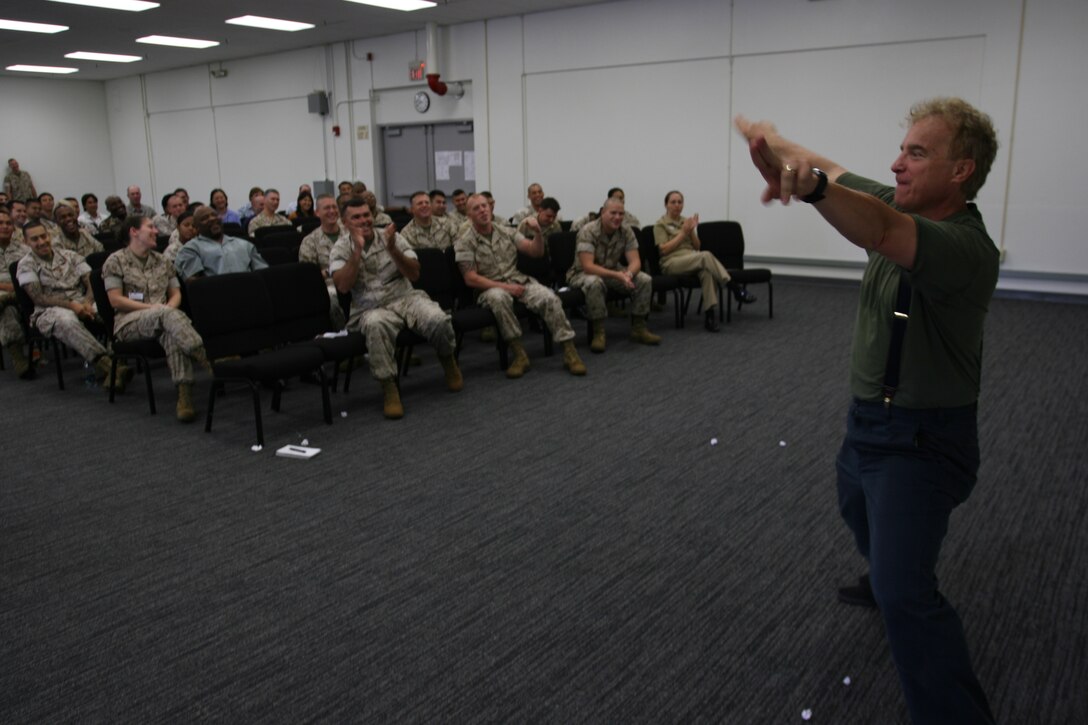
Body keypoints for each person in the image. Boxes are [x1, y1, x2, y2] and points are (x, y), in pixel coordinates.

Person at [735, 97, 999, 725]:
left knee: (907, 596)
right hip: (870, 424)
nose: (897, 163)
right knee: (855, 504)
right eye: (901, 150)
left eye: (916, 152)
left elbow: (878, 231)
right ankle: (886, 568)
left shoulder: (964, 247)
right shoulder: (902, 199)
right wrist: (773, 141)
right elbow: (828, 166)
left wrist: (816, 188)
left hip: (923, 441)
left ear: (960, 171)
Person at [330, 196, 463, 419]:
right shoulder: (340, 249)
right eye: (356, 217)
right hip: (370, 307)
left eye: (366, 215)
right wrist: (356, 253)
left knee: (437, 319)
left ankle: (448, 359)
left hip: (404, 297)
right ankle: (389, 387)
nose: (364, 220)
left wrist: (393, 249)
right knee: (375, 325)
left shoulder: (392, 237)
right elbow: (343, 286)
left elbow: (414, 273)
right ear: (345, 223)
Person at [455, 193, 586, 379]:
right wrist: (506, 288)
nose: (482, 210)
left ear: (490, 208)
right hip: (489, 288)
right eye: (476, 208)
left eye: (484, 205)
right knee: (499, 299)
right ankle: (519, 354)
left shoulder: (506, 231)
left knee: (549, 297)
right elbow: (471, 278)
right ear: (469, 215)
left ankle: (569, 351)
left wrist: (538, 232)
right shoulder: (464, 242)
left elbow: (535, 251)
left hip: (517, 280)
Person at [103, 216, 211, 422]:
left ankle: (184, 394)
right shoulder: (115, 261)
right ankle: (206, 357)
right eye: (150, 227)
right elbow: (115, 300)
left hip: (165, 318)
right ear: (134, 232)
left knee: (171, 334)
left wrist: (168, 309)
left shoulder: (162, 260)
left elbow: (176, 293)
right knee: (167, 318)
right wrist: (156, 309)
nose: (156, 231)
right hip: (129, 322)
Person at [16, 219, 130, 389]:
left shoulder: (70, 255)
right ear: (26, 242)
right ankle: (107, 365)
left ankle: (116, 362)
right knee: (66, 321)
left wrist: (87, 301)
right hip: (48, 311)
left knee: (115, 310)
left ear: (49, 235)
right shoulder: (25, 265)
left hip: (83, 301)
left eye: (43, 236)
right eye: (34, 239)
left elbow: (91, 281)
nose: (41, 242)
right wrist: (72, 306)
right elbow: (38, 298)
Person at [569, 197, 660, 352]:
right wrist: (619, 276)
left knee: (644, 279)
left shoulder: (626, 230)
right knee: (594, 282)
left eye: (621, 213)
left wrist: (629, 275)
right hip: (582, 274)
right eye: (613, 213)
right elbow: (588, 266)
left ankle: (639, 328)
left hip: (613, 270)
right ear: (603, 212)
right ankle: (599, 332)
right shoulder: (588, 231)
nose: (617, 217)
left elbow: (636, 261)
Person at [653, 190, 752, 332]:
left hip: (691, 258)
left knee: (707, 271)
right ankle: (734, 288)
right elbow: (663, 250)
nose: (677, 205)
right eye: (673, 202)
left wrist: (692, 230)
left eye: (680, 202)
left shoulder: (685, 222)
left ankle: (710, 317)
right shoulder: (660, 225)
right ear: (666, 205)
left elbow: (697, 246)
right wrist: (683, 233)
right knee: (705, 256)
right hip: (671, 262)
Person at [175, 207, 268, 282]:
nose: (212, 219)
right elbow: (194, 284)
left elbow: (263, 273)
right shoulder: (190, 249)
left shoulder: (245, 245)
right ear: (196, 227)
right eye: (204, 218)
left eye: (214, 215)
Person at [298, 194, 347, 329]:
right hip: (329, 286)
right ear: (317, 213)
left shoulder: (350, 234)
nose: (332, 211)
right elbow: (308, 276)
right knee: (333, 298)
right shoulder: (310, 241)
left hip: (355, 278)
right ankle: (343, 334)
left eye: (334, 207)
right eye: (327, 208)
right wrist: (331, 271)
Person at [0, 208, 32, 378]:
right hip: (5, 291)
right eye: (1, 223)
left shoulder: (23, 250)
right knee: (6, 310)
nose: (5, 227)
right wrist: (7, 288)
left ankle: (19, 355)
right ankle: (18, 356)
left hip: (23, 292)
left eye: (8, 223)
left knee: (6, 305)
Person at [571, 187, 640, 231]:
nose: (620, 201)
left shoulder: (631, 219)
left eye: (621, 198)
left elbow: (636, 230)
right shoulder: (594, 219)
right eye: (616, 198)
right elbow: (576, 225)